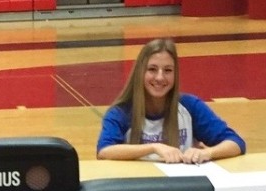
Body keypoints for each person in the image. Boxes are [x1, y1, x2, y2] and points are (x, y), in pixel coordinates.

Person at [97, 38, 245, 163]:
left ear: (175, 75)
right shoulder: (121, 112)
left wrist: (208, 153)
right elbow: (104, 151)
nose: (160, 77)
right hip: (137, 190)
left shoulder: (190, 106)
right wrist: (154, 147)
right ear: (140, 72)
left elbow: (236, 143)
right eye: (152, 69)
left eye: (167, 70)